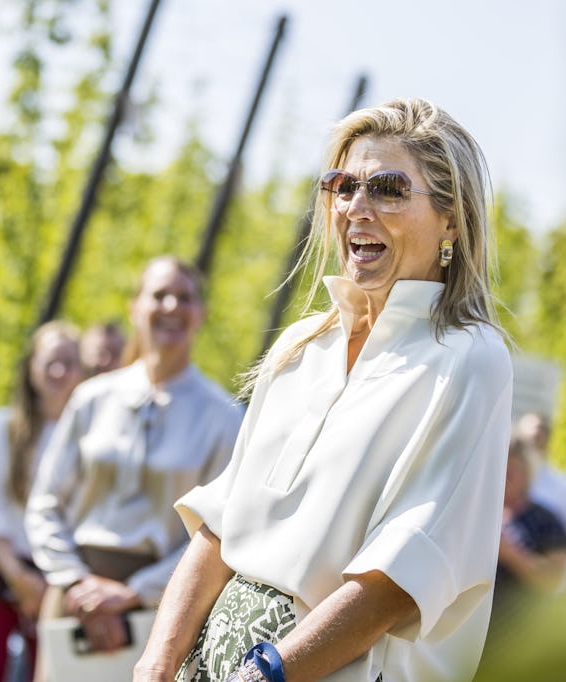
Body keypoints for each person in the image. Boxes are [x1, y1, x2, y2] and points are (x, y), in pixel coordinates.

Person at [136, 99, 513, 682]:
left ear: (451, 220)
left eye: (388, 189)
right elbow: (219, 529)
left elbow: (396, 583)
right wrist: (156, 664)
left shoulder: (470, 359)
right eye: (343, 185)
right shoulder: (299, 345)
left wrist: (262, 676)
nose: (357, 207)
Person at [26, 256, 243, 674]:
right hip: (73, 599)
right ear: (135, 307)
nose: (171, 306)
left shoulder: (223, 417)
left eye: (184, 297)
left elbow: (220, 525)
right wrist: (75, 580)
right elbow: (45, 502)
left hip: (162, 608)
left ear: (202, 312)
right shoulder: (91, 398)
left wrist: (136, 592)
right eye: (159, 295)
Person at [0, 321, 83, 682]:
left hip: (57, 580)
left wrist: (50, 585)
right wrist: (20, 578)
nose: (59, 372)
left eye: (69, 362)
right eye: (51, 361)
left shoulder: (89, 439)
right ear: (31, 367)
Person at [489, 435, 566, 640]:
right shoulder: (482, 515)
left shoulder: (546, 521)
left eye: (511, 470)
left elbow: (552, 581)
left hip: (523, 633)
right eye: (500, 467)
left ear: (527, 473)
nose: (504, 476)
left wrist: (509, 553)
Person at [514, 412, 566, 590]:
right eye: (525, 440)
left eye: (538, 439)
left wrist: (552, 591)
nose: (531, 446)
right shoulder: (499, 483)